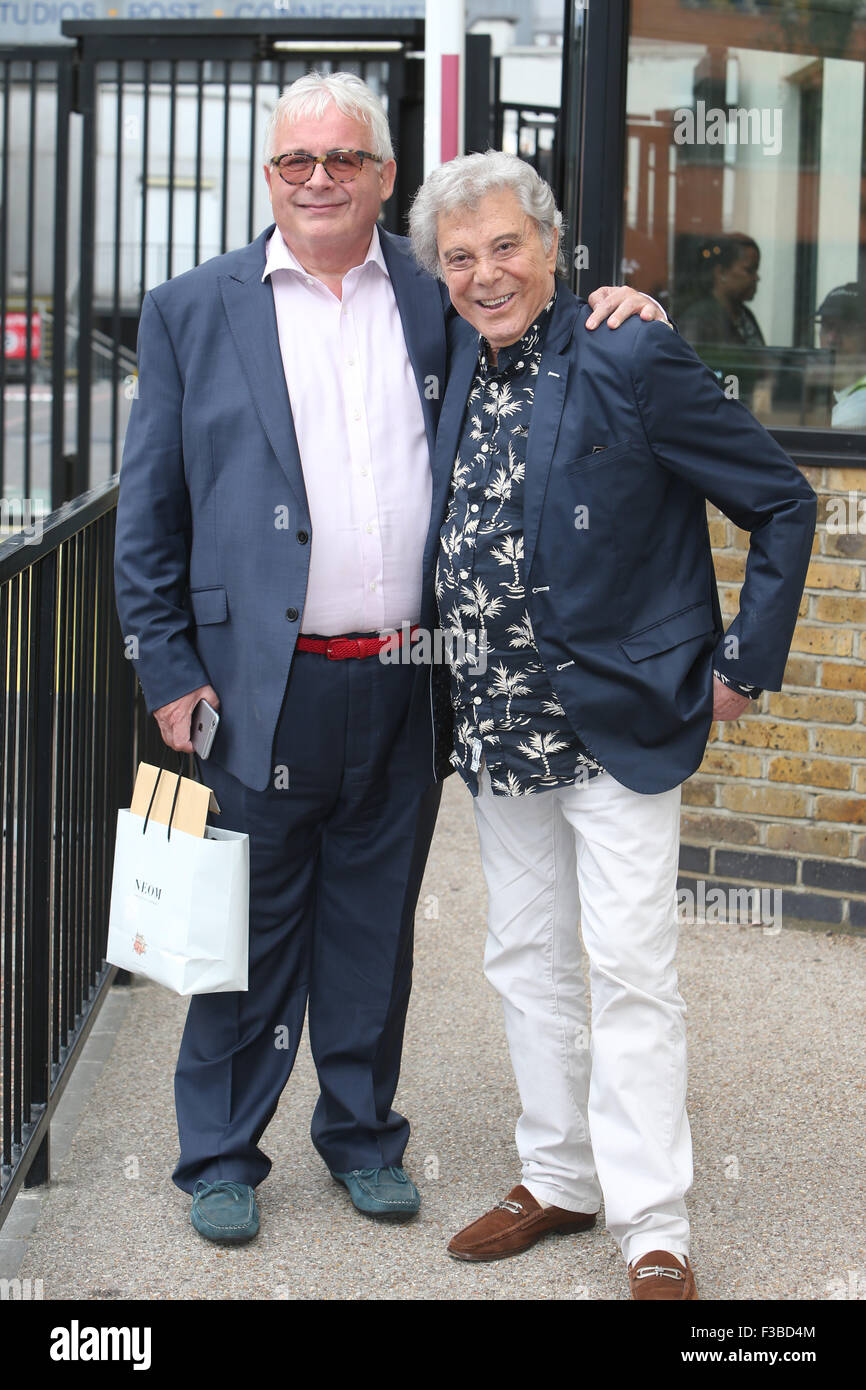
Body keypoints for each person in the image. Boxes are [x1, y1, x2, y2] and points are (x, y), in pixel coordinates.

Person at [113, 73, 663, 1245]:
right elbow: (148, 514)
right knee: (241, 930)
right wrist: (166, 668)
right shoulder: (190, 309)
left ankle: (361, 1135)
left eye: (342, 160)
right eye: (294, 162)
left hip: (413, 672)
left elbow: (534, 312)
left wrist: (623, 300)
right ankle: (219, 1152)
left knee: (372, 924)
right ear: (270, 176)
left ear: (381, 176)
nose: (317, 179)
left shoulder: (434, 290)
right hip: (257, 683)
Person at [408, 151, 816, 1300]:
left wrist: (743, 660)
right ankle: (556, 1174)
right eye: (459, 257)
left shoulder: (627, 346)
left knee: (630, 967)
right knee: (523, 956)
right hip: (494, 730)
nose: (485, 275)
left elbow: (780, 498)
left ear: (550, 247)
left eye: (505, 247)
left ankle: (652, 1221)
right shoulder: (447, 355)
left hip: (615, 724)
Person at [678, 232, 764, 346]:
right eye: (749, 270)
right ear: (721, 272)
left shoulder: (745, 315)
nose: (756, 278)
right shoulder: (699, 319)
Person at [815, 282, 866, 429]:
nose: (832, 339)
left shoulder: (859, 408)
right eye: (826, 326)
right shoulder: (823, 389)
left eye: (845, 327)